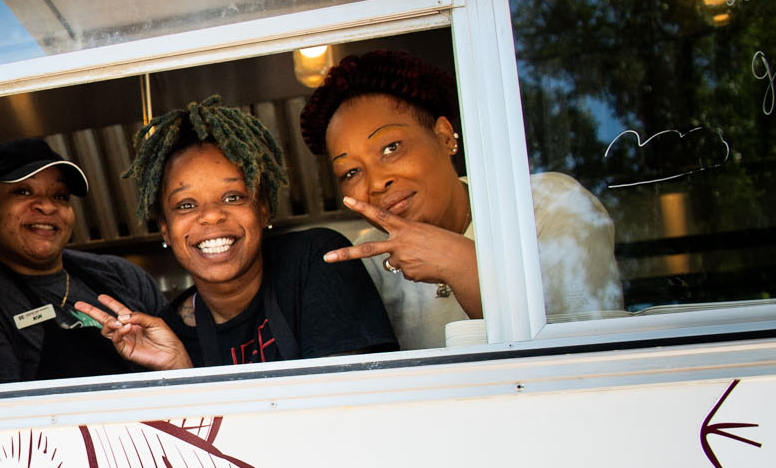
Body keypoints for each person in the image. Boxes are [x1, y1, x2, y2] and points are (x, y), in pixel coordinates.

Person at [297, 49, 621, 350]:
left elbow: (587, 361)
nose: (377, 182)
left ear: (444, 136)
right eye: (351, 172)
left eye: (391, 148)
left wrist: (459, 264)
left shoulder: (547, 207)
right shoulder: (370, 261)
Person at [86, 99, 397, 369]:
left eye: (232, 197)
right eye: (186, 204)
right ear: (165, 229)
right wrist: (180, 369)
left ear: (263, 210)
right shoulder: (164, 338)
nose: (210, 214)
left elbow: (349, 411)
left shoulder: (317, 260)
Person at [0, 137, 164, 383]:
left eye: (59, 196)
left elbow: (188, 367)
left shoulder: (121, 274)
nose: (47, 207)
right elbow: (3, 409)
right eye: (23, 191)